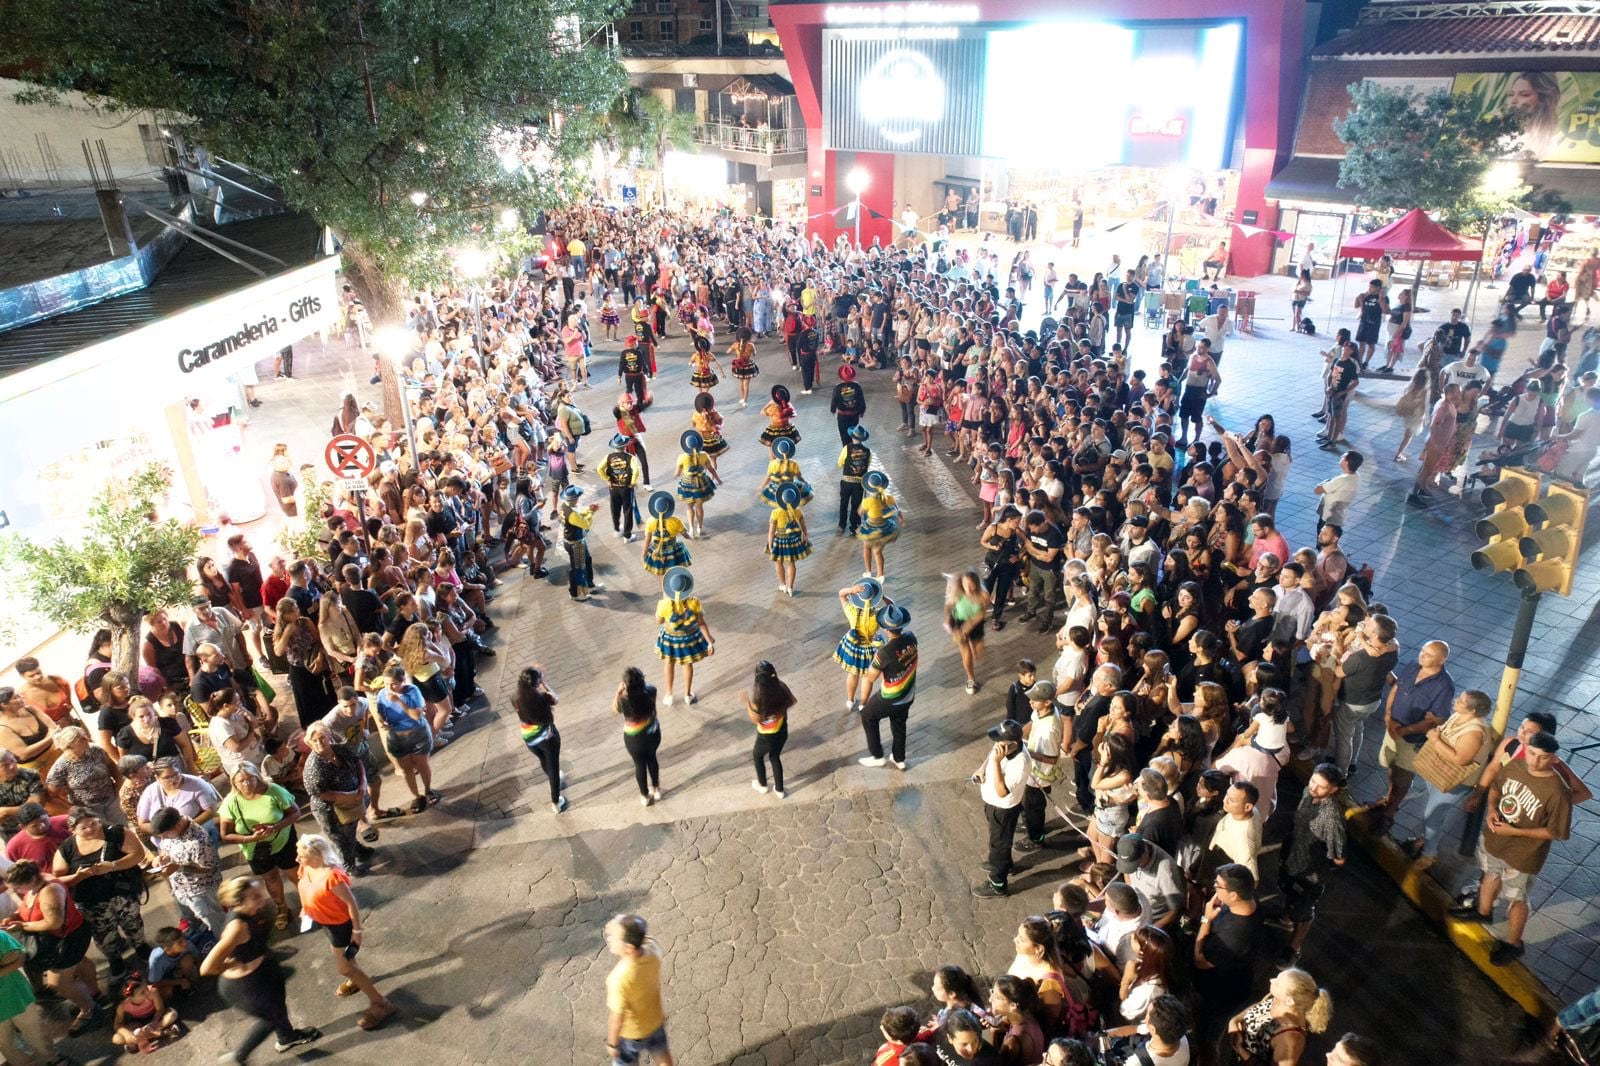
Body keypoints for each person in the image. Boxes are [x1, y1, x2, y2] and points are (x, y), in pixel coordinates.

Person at [1451, 730, 1573, 964]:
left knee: (1516, 898)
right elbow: (1496, 786)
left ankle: (1514, 944)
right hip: (1495, 840)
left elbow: (1555, 832)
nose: (1535, 760)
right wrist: (1492, 810)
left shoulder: (1558, 792)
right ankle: (1482, 912)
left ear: (1554, 759)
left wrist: (1515, 831)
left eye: (1543, 757)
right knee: (1489, 875)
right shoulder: (1515, 767)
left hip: (1523, 855)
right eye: (1532, 753)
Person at [201, 876, 322, 1060]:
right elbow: (207, 967)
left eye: (260, 893)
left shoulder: (253, 911)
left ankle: (286, 1038)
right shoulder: (237, 927)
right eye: (255, 896)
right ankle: (238, 1057)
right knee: (270, 1018)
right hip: (246, 984)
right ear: (239, 902)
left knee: (278, 1007)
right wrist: (232, 963)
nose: (262, 898)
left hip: (265, 969)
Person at [296, 834, 396, 1031]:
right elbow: (305, 887)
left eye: (301, 855)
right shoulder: (307, 867)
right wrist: (305, 907)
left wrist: (357, 931)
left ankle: (380, 1003)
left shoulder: (332, 877)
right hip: (326, 923)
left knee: (343, 967)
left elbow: (351, 903)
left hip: (339, 927)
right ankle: (355, 978)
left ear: (316, 857)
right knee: (349, 963)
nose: (297, 859)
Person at [0, 860, 101, 1036]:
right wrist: (16, 916)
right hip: (70, 933)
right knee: (80, 963)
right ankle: (93, 993)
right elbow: (30, 909)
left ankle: (90, 1009)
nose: (16, 892)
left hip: (69, 938)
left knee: (58, 982)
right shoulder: (36, 884)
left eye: (17, 888)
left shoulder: (49, 891)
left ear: (30, 878)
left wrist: (22, 926)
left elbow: (53, 922)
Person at [53, 806, 147, 984]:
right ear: (72, 830)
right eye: (83, 828)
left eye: (93, 823)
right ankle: (114, 958)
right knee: (103, 933)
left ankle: (141, 946)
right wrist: (78, 876)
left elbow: (137, 854)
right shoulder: (67, 848)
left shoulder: (116, 833)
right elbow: (58, 879)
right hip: (91, 902)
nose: (91, 829)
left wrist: (112, 866)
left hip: (122, 894)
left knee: (133, 921)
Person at [218, 763, 302, 932]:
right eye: (241, 781)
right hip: (256, 849)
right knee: (270, 877)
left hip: (283, 841)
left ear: (257, 776)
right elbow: (225, 835)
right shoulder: (231, 802)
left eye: (251, 778)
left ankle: (310, 902)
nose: (247, 784)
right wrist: (249, 838)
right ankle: (281, 907)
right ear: (234, 783)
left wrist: (275, 827)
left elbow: (295, 812)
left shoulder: (274, 791)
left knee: (294, 872)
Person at [1279, 764, 1347, 965]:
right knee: (1288, 891)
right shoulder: (1306, 793)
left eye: (1321, 786)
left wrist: (1318, 861)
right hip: (1291, 858)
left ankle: (1294, 947)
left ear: (1333, 790)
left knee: (1304, 911)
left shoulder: (1332, 818)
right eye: (1313, 781)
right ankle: (1285, 919)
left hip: (1310, 874)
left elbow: (1339, 857)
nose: (1314, 788)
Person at [302, 721, 373, 874]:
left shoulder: (339, 749)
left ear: (329, 738)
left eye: (322, 738)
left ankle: (357, 850)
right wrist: (350, 796)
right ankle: (348, 866)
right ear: (309, 742)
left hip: (353, 800)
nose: (319, 742)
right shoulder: (314, 766)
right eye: (315, 740)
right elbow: (321, 794)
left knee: (351, 829)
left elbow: (357, 762)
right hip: (330, 810)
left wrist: (362, 784)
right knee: (340, 838)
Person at [971, 719, 1030, 899]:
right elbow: (992, 754)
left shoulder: (1021, 762)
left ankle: (998, 883)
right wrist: (982, 769)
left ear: (1013, 744)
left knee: (999, 845)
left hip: (1003, 808)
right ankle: (1006, 864)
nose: (996, 745)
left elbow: (1002, 791)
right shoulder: (1001, 749)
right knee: (998, 839)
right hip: (991, 803)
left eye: (1000, 742)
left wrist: (996, 763)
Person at [604, 914, 674, 1066]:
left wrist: (612, 1044)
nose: (609, 938)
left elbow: (616, 1018)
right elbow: (643, 936)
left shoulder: (618, 979)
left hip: (631, 1034)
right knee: (662, 1055)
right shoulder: (653, 954)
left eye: (614, 937)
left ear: (628, 948)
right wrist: (622, 925)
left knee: (625, 1062)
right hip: (655, 1022)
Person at [149, 805, 228, 938]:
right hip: (181, 889)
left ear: (178, 824)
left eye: (166, 834)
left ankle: (231, 950)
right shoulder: (170, 833)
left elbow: (209, 867)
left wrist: (179, 867)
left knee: (216, 923)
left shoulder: (199, 840)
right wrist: (161, 857)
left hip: (201, 891)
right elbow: (164, 847)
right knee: (197, 921)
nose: (164, 838)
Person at [1227, 968, 1333, 1066]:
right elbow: (1245, 1015)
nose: (1271, 980)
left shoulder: (1292, 1039)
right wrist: (1233, 1023)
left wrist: (1241, 1049)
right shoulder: (1276, 999)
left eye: (1278, 983)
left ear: (1289, 1000)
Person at [857, 604, 917, 771]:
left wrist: (863, 703)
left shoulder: (883, 653)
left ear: (885, 629)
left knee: (868, 716)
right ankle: (899, 759)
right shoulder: (912, 638)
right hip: (908, 696)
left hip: (890, 697)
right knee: (899, 724)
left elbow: (870, 679)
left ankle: (877, 756)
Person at [372, 664, 437, 815]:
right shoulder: (382, 694)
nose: (390, 687)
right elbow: (380, 712)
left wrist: (399, 701)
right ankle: (416, 796)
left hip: (417, 734)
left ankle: (428, 790)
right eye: (387, 683)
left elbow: (416, 715)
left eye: (393, 683)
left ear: (402, 681)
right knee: (407, 769)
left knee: (422, 764)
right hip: (397, 738)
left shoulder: (412, 691)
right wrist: (382, 721)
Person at [0, 923, 67, 1065]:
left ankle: (51, 1058)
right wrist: (6, 965)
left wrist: (9, 964)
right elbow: (13, 959)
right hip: (14, 994)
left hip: (17, 996)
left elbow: (18, 958)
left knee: (35, 1032)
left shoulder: (1, 936)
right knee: (5, 1042)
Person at [655, 567, 712, 706]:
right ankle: (687, 695)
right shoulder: (695, 602)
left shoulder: (664, 604)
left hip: (670, 637)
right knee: (687, 664)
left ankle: (669, 694)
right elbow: (701, 623)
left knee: (669, 663)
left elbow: (659, 621)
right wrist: (709, 641)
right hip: (688, 638)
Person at [742, 661, 795, 799]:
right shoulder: (781, 686)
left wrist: (746, 702)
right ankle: (779, 790)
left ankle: (763, 785)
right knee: (774, 757)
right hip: (782, 731)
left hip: (765, 736)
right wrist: (778, 712)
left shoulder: (757, 695)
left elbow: (756, 718)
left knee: (757, 756)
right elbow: (792, 701)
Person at [615, 667, 664, 807]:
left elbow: (615, 709)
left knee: (639, 765)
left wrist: (618, 692)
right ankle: (656, 788)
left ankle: (645, 796)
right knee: (652, 758)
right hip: (653, 733)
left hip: (633, 738)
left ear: (626, 684)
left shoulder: (624, 699)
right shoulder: (651, 690)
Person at [111, 972, 183, 1054]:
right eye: (142, 992)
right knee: (116, 1038)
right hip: (138, 1024)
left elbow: (160, 1009)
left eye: (145, 987)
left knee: (172, 1015)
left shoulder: (152, 992)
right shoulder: (123, 1005)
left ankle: (141, 1039)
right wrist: (127, 1034)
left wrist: (154, 1022)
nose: (146, 992)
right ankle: (163, 1033)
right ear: (130, 997)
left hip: (156, 1018)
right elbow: (117, 1024)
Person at [857, 470, 904, 581]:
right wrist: (901, 519)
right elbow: (897, 509)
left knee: (866, 548)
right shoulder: (889, 498)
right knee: (877, 552)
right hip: (885, 528)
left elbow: (860, 512)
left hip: (870, 528)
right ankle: (880, 575)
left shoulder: (867, 501)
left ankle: (868, 572)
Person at [766, 483, 812, 596]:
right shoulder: (798, 512)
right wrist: (805, 537)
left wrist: (770, 545)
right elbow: (804, 528)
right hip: (794, 541)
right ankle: (790, 587)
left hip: (780, 541)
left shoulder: (775, 512)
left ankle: (783, 585)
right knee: (791, 564)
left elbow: (771, 532)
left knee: (778, 562)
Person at [641, 491, 691, 576]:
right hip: (673, 551)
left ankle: (664, 588)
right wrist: (690, 537)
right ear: (669, 508)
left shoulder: (650, 521)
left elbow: (647, 541)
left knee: (662, 575)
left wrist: (643, 555)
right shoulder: (676, 521)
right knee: (675, 573)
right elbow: (686, 535)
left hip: (657, 552)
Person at [837, 425, 872, 536]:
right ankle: (854, 526)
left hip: (846, 482)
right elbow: (868, 465)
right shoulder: (867, 451)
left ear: (852, 437)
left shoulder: (846, 448)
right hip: (859, 483)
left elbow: (840, 463)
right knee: (856, 505)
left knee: (844, 503)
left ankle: (842, 525)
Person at [1353, 279, 1388, 367]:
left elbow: (1385, 311)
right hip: (1364, 322)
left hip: (1374, 323)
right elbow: (1356, 306)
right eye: (1369, 286)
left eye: (1372, 287)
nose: (1370, 288)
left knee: (1371, 344)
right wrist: (1358, 298)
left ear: (1378, 288)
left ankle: (1366, 361)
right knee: (1361, 343)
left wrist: (1380, 299)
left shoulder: (1383, 298)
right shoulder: (1366, 295)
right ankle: (1359, 361)